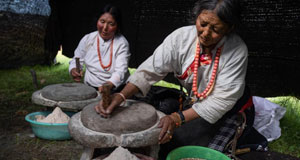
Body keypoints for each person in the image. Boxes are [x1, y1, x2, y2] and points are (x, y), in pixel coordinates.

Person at [95, 0, 256, 159]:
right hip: (196, 101)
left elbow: (221, 102)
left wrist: (176, 118)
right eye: (203, 23)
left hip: (227, 109)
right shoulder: (181, 38)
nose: (206, 33)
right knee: (153, 126)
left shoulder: (237, 51)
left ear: (229, 28)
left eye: (215, 29)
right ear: (196, 17)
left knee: (177, 142)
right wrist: (121, 96)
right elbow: (151, 69)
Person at [69, 4, 130, 93]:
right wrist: (74, 69)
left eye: (111, 24)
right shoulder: (88, 39)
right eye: (102, 21)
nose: (105, 28)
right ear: (97, 21)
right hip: (90, 88)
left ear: (117, 26)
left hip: (116, 89)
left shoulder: (122, 43)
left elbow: (121, 71)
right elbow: (77, 58)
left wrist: (109, 84)